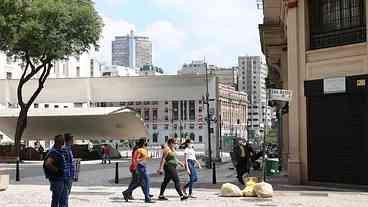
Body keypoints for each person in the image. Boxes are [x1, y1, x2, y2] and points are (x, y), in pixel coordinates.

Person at [122, 138, 154, 203]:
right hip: (140, 168)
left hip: (143, 167)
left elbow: (143, 159)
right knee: (146, 181)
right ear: (144, 142)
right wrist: (143, 158)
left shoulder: (144, 149)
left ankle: (126, 192)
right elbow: (136, 160)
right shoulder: (139, 150)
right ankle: (147, 197)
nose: (147, 142)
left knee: (140, 183)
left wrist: (147, 158)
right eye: (146, 141)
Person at [44, 135, 66, 207]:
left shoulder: (58, 151)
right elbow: (48, 164)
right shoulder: (53, 152)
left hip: (60, 179)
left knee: (62, 199)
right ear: (58, 142)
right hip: (57, 179)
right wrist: (58, 171)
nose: (63, 142)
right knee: (56, 200)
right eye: (62, 140)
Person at [62, 133, 75, 207]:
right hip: (66, 175)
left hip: (69, 174)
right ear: (69, 140)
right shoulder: (64, 149)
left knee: (66, 194)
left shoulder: (69, 149)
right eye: (72, 139)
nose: (73, 141)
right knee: (65, 194)